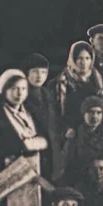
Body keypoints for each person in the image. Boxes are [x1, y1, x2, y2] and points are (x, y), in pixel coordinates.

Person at [0, 69, 49, 183]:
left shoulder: (31, 112)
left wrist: (30, 144)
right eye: (14, 89)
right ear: (5, 91)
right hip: (8, 173)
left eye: (23, 89)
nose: (19, 93)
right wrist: (26, 145)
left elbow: (45, 140)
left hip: (35, 172)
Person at [20, 53, 62, 181]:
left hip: (49, 152)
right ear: (26, 73)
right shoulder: (20, 95)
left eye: (43, 72)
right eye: (35, 71)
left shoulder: (48, 95)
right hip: (29, 152)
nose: (39, 76)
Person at [61, 96, 103, 186]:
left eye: (98, 113)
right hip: (81, 179)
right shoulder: (75, 134)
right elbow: (67, 162)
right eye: (91, 112)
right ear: (84, 114)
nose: (95, 116)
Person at [48, 41, 103, 130]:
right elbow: (55, 114)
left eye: (87, 58)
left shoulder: (97, 79)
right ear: (73, 59)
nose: (84, 62)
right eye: (80, 58)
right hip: (70, 131)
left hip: (93, 129)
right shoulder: (60, 82)